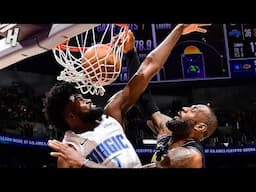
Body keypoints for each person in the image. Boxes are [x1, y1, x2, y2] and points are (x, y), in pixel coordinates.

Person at [46, 24, 211, 168]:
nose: (88, 99)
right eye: (79, 99)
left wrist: (83, 163)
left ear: (200, 127)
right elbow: (144, 92)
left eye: (193, 109)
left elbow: (148, 69)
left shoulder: (191, 156)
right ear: (71, 115)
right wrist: (131, 54)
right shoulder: (70, 149)